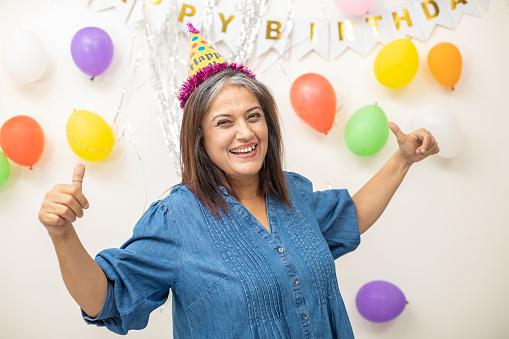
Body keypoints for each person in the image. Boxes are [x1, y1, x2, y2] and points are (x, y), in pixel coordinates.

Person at [38, 25, 439, 338]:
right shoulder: (175, 219)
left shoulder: (292, 191)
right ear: (200, 140)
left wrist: (403, 160)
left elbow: (350, 217)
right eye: (224, 122)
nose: (245, 133)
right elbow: (106, 299)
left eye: (253, 116)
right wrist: (62, 235)